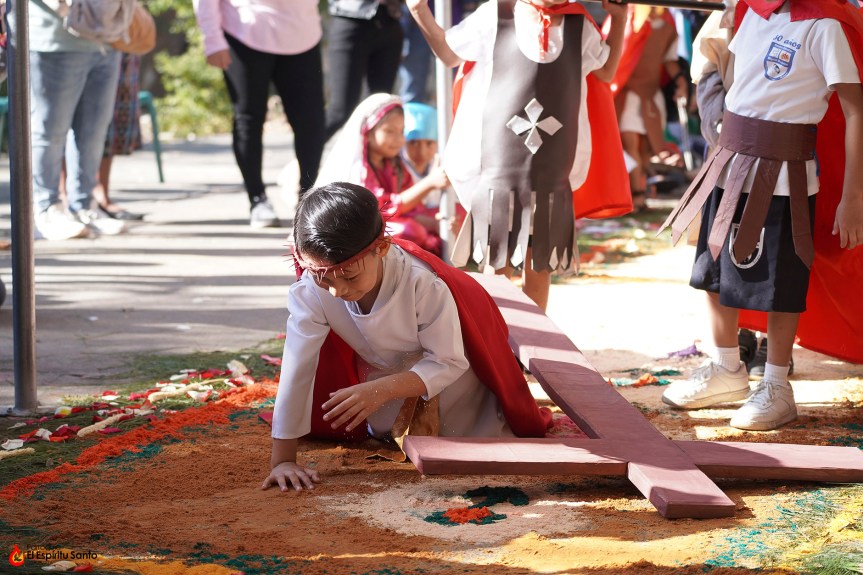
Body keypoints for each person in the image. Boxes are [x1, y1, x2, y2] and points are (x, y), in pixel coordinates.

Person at [261, 182, 552, 491]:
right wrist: (283, 460)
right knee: (387, 431)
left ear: (381, 248)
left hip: (453, 379)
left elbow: (448, 361)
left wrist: (382, 390)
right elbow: (298, 365)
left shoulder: (422, 282)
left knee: (468, 438)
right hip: (380, 375)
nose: (337, 291)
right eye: (323, 278)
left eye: (349, 276)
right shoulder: (311, 288)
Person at [660, 0, 863, 431]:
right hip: (728, 164)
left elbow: (855, 109)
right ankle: (726, 368)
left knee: (779, 282)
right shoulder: (750, 13)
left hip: (785, 176)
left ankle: (776, 386)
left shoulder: (825, 27)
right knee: (712, 271)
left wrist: (852, 197)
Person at [408, 0, 631, 312]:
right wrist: (420, 11)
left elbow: (606, 72)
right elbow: (448, 54)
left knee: (539, 263)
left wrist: (618, 20)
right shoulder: (495, 14)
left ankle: (535, 349)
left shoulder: (578, 25)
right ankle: (499, 347)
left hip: (551, 166)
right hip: (499, 166)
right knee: (498, 263)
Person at [194, 0, 326, 228]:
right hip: (245, 32)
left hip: (303, 31)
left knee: (311, 120)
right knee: (249, 118)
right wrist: (212, 38)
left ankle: (307, 200)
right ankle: (257, 199)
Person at [6, 1, 125, 240]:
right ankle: (45, 209)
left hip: (107, 39)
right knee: (49, 131)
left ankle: (84, 205)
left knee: (94, 131)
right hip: (54, 38)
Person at [316, 93, 449, 256]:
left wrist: (432, 222)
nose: (399, 139)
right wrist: (429, 183)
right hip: (360, 231)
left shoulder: (394, 164)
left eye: (401, 132)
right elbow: (382, 208)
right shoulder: (359, 171)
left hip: (390, 221)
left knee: (446, 215)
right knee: (410, 231)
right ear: (368, 131)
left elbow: (411, 207)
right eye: (389, 131)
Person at [610, 5, 689, 212]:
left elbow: (668, 59)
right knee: (629, 144)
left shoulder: (668, 22)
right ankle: (634, 196)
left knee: (645, 149)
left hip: (651, 96)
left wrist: (680, 80)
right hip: (627, 93)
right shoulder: (626, 15)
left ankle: (639, 195)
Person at [324, 0, 404, 141]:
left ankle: (365, 162)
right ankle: (304, 160)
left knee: (379, 111)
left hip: (389, 20)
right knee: (340, 111)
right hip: (350, 17)